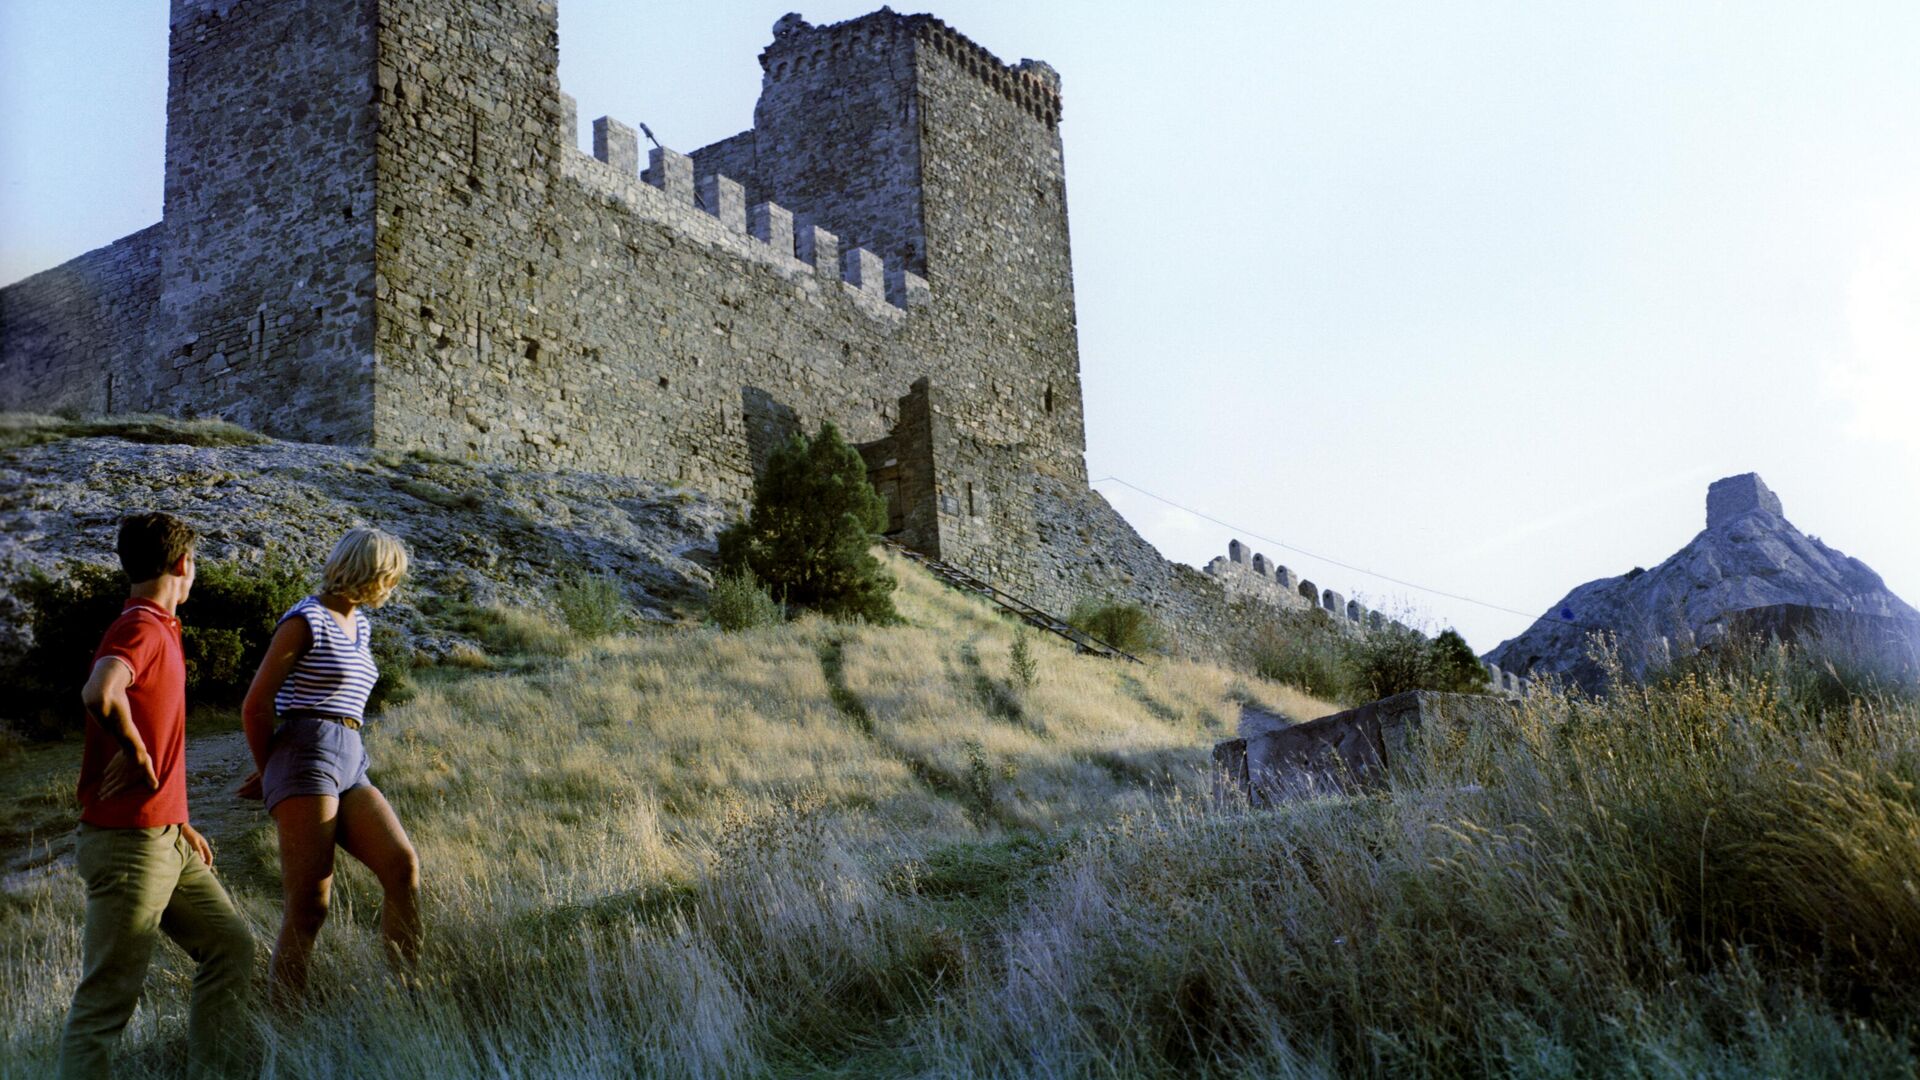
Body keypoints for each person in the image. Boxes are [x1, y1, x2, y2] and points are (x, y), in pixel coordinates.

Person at [59, 512, 255, 1079]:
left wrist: (180, 817)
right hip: (128, 845)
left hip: (165, 836)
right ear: (183, 564)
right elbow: (100, 691)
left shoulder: (161, 627)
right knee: (105, 1004)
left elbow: (156, 724)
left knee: (230, 948)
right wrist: (136, 752)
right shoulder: (141, 626)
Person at [238, 527, 420, 1007]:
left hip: (352, 756)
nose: (392, 589)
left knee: (402, 868)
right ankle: (286, 1022)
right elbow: (256, 705)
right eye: (390, 578)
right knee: (309, 905)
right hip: (306, 751)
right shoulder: (305, 618)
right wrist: (271, 769)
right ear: (370, 572)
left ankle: (406, 995)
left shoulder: (361, 625)